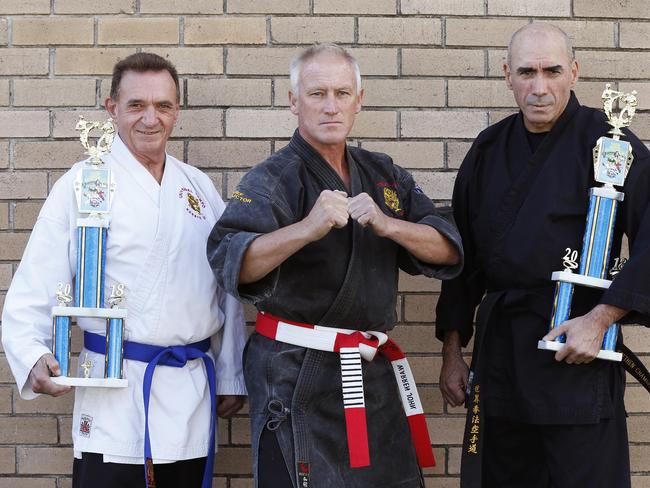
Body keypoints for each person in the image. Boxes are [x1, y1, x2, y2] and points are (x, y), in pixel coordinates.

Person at [207, 43, 463, 488]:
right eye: (317, 94)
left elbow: (446, 247)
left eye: (342, 94)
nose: (331, 106)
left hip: (371, 370)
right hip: (294, 373)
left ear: (359, 101)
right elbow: (235, 263)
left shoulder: (383, 175)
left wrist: (389, 225)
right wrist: (307, 228)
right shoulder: (273, 178)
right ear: (293, 101)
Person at [1, 52, 247, 488]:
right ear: (111, 108)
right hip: (113, 393)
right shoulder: (81, 184)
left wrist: (230, 372)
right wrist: (32, 352)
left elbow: (225, 288)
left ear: (177, 113)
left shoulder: (198, 188)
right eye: (136, 105)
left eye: (163, 106)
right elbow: (37, 279)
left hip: (188, 393)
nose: (150, 118)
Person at [436, 23, 650, 487]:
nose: (539, 87)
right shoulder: (488, 150)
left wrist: (601, 320)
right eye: (526, 72)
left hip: (578, 355)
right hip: (503, 356)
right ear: (506, 75)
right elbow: (463, 262)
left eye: (552, 71)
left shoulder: (611, 143)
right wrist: (453, 351)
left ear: (573, 72)